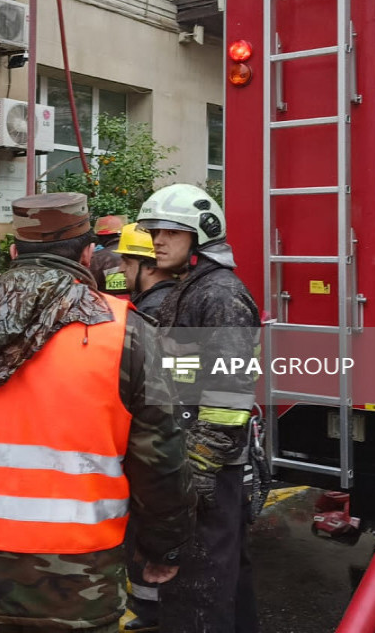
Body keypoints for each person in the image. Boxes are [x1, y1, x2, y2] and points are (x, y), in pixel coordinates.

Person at [0, 191, 195, 632]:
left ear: (12, 251)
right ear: (87, 253)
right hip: (78, 585)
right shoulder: (125, 333)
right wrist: (164, 548)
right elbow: (160, 458)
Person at [135, 183, 262, 633]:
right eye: (154, 233)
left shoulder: (219, 295)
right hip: (194, 457)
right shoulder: (192, 289)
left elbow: (230, 393)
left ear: (201, 234)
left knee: (198, 588)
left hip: (206, 464)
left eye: (171, 231)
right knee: (223, 578)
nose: (158, 241)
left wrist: (200, 467)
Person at [113, 221, 179, 632]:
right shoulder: (169, 301)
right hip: (167, 427)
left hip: (155, 429)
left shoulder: (152, 311)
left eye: (126, 260)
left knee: (145, 520)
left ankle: (150, 610)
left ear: (146, 265)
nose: (121, 268)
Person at [116, 222, 178, 322]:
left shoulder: (152, 309)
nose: (121, 270)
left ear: (150, 267)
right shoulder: (171, 296)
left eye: (127, 263)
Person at [89, 214, 130, 295]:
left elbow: (90, 286)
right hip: (136, 303)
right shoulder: (136, 253)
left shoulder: (97, 258)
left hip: (109, 303)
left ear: (101, 237)